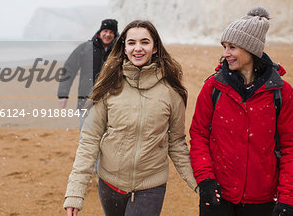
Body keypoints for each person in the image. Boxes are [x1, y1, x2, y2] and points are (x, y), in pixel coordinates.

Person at [64, 20, 197, 215]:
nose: (138, 48)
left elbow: (176, 142)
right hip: (109, 185)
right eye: (131, 43)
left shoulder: (171, 92)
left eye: (144, 42)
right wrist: (75, 191)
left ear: (155, 47)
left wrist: (200, 184)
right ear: (124, 47)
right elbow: (90, 140)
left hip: (150, 187)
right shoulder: (108, 86)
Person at [189, 7, 293, 216]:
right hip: (217, 196)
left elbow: (291, 149)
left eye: (232, 47)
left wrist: (288, 199)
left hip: (262, 200)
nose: (225, 54)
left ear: (251, 49)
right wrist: (205, 180)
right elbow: (199, 135)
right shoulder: (213, 87)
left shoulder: (281, 92)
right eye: (224, 47)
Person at [58, 19, 118, 129]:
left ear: (115, 35)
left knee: (108, 137)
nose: (108, 35)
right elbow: (69, 69)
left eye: (111, 32)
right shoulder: (85, 48)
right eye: (105, 31)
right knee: (86, 136)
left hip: (111, 102)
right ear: (100, 32)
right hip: (85, 100)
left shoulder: (119, 51)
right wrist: (63, 94)